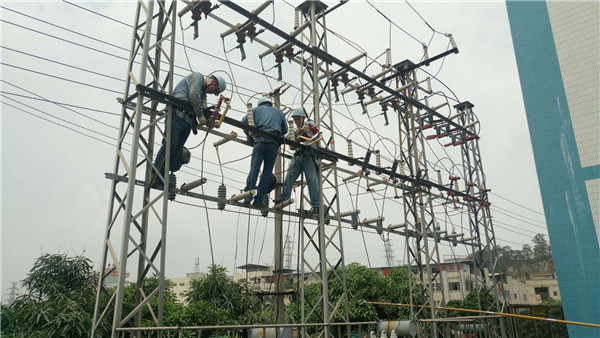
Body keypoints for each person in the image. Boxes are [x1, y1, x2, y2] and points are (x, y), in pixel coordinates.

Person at [153, 72, 226, 182]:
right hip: (177, 116)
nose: (211, 93)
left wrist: (209, 122)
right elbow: (193, 94)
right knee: (170, 145)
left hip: (187, 122)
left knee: (177, 150)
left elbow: (203, 109)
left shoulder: (203, 95)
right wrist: (200, 115)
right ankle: (155, 174)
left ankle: (162, 175)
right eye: (214, 90)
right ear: (213, 82)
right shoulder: (198, 77)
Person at [241, 98, 288, 208]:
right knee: (267, 173)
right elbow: (285, 130)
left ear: (260, 104)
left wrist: (249, 133)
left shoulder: (255, 110)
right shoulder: (279, 112)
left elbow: (243, 121)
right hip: (273, 144)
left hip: (260, 141)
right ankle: (258, 199)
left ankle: (248, 196)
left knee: (254, 169)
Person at [274, 108, 320, 214]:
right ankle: (284, 197)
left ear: (303, 118)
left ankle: (316, 206)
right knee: (289, 177)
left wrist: (304, 130)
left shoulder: (309, 124)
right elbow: (286, 138)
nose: (296, 121)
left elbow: (315, 131)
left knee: (312, 181)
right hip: (298, 157)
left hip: (309, 157)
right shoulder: (295, 130)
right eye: (295, 119)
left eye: (298, 118)